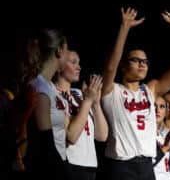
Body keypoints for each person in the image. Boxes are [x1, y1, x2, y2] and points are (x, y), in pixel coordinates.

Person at [101, 7, 170, 180]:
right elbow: (110, 67)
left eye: (145, 61)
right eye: (136, 60)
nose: (142, 64)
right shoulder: (112, 90)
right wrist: (124, 28)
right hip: (121, 167)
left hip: (146, 167)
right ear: (123, 66)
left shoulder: (150, 90)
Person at [53, 50, 108, 180]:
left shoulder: (79, 94)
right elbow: (71, 137)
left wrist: (95, 103)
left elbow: (102, 136)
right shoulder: (53, 94)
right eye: (73, 62)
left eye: (79, 63)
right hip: (70, 165)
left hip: (89, 166)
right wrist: (87, 101)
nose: (79, 67)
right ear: (59, 66)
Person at [24, 28, 69, 179]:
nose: (68, 56)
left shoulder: (48, 86)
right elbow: (45, 143)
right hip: (46, 169)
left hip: (55, 164)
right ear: (59, 51)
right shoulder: (40, 88)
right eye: (67, 50)